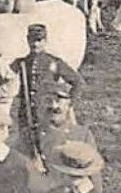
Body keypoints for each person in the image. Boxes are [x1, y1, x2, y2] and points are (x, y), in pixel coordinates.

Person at [11, 23, 83, 162]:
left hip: (47, 113)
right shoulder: (21, 63)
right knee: (28, 150)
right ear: (27, 40)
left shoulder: (54, 62)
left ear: (45, 41)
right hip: (26, 113)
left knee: (49, 148)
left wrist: (67, 105)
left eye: (39, 40)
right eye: (32, 40)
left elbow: (77, 82)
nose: (35, 44)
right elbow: (4, 77)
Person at [32, 78, 97, 180]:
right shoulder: (29, 135)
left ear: (69, 104)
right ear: (40, 104)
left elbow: (94, 184)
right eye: (47, 100)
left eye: (59, 100)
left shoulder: (81, 136)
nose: (53, 106)